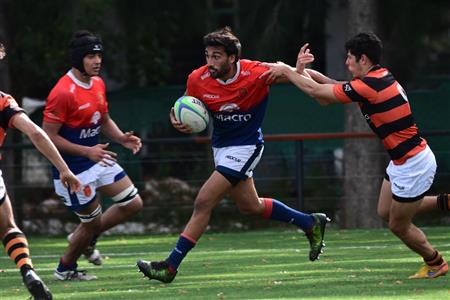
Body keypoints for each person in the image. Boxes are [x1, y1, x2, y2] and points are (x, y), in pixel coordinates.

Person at [136, 27, 330, 284]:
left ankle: (170, 267)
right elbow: (184, 103)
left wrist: (339, 87)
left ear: (232, 58)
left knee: (203, 201)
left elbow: (299, 75)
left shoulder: (257, 73)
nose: (210, 62)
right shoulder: (198, 78)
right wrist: (176, 118)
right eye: (207, 55)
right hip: (221, 148)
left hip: (246, 146)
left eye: (216, 56)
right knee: (251, 206)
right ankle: (309, 222)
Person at [262, 32, 448, 279]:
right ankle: (445, 201)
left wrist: (286, 71)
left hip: (414, 164)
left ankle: (436, 263)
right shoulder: (375, 79)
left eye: (349, 58)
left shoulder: (370, 85)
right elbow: (327, 86)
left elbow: (320, 94)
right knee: (384, 211)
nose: (347, 62)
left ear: (363, 59)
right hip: (404, 161)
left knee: (398, 225)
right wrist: (299, 70)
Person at [43, 30, 143, 281]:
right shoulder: (62, 92)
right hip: (73, 170)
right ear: (78, 59)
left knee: (132, 203)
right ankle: (65, 268)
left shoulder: (97, 83)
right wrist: (87, 151)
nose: (97, 61)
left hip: (97, 159)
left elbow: (104, 117)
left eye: (99, 55)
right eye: (90, 56)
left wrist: (121, 138)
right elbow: (48, 137)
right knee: (91, 223)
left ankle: (85, 236)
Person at [0, 43, 81, 299]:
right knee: (9, 228)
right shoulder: (3, 101)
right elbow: (36, 132)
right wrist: (64, 169)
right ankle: (27, 271)